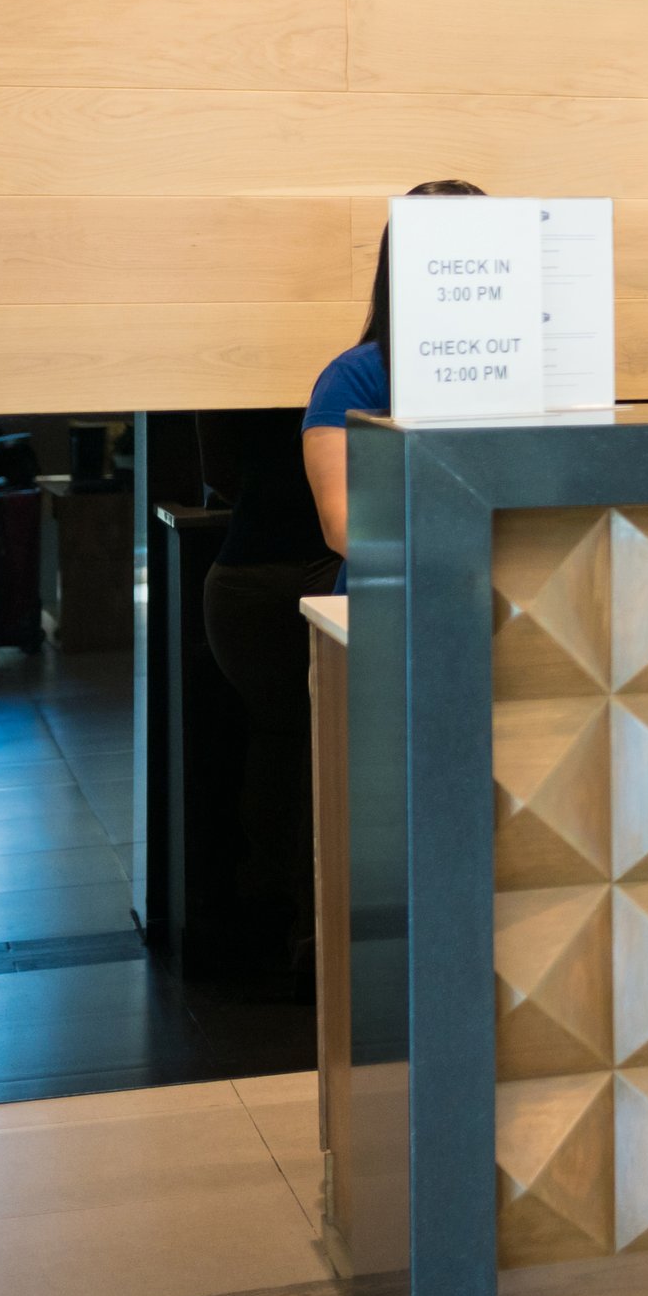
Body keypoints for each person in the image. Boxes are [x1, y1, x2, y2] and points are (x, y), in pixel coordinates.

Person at [200, 176, 484, 998]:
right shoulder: (357, 377)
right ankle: (336, 966)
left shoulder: (517, 369)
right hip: (396, 616)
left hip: (491, 611)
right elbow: (340, 524)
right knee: (367, 807)